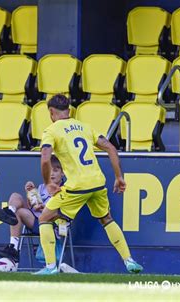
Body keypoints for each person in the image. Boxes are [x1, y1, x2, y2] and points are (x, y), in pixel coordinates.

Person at [33, 94, 143, 275]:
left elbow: (45, 158)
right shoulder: (85, 127)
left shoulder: (51, 131)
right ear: (69, 111)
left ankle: (51, 267)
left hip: (77, 186)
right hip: (97, 182)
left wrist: (47, 183)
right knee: (107, 219)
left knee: (44, 218)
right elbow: (111, 148)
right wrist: (119, 177)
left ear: (51, 112)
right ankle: (129, 261)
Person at [0, 156, 64, 264]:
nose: (52, 174)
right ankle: (10, 211)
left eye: (55, 170)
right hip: (35, 218)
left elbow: (62, 212)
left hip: (49, 223)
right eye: (49, 170)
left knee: (19, 213)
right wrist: (30, 194)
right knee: (15, 196)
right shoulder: (42, 187)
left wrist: (45, 209)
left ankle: (13, 248)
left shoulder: (65, 190)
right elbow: (33, 207)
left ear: (63, 173)